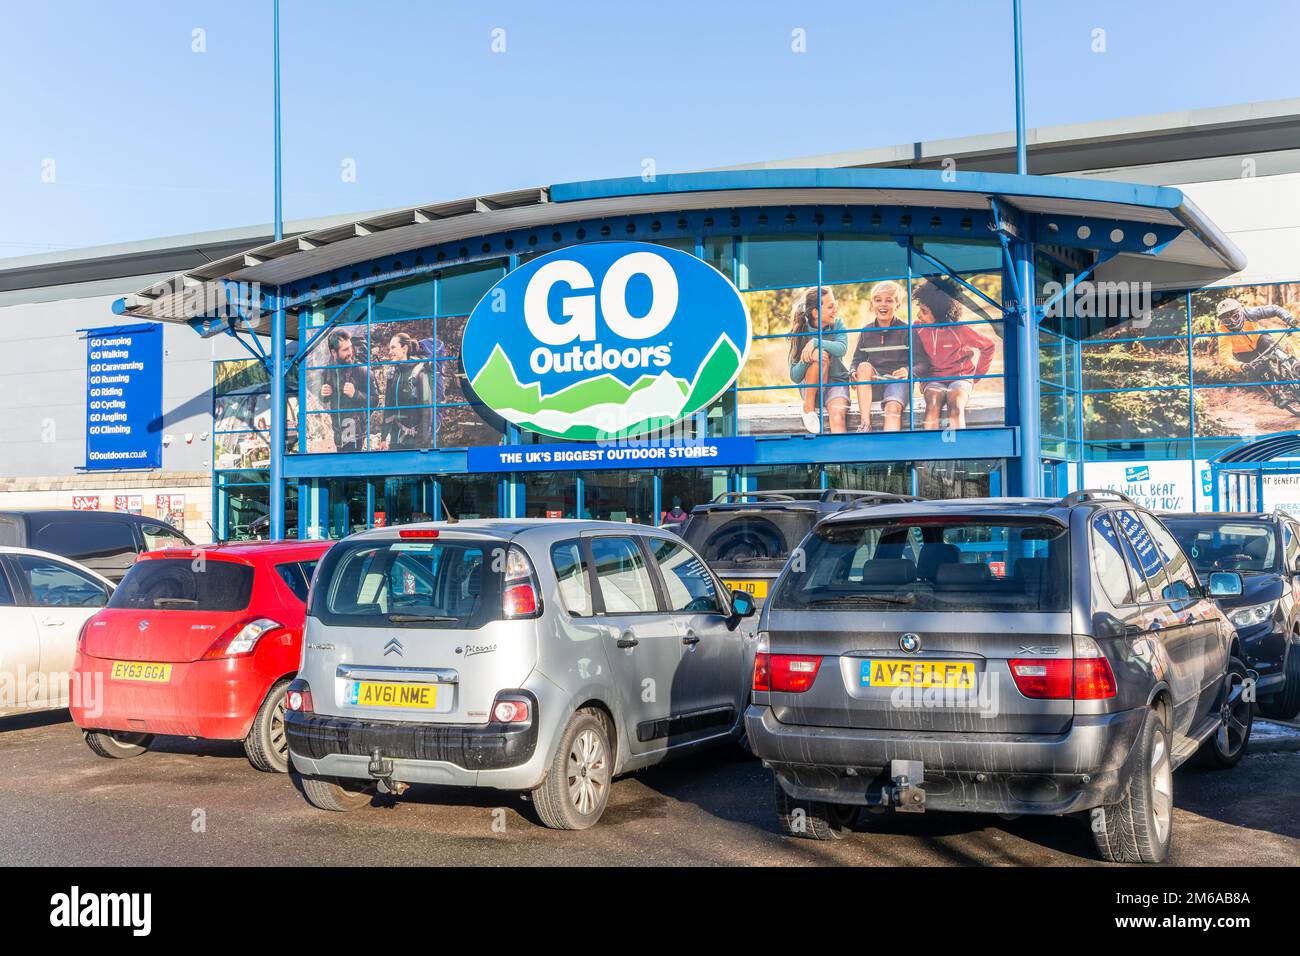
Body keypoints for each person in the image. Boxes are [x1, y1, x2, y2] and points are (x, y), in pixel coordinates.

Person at [911, 279, 996, 430]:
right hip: (932, 379)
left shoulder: (959, 329)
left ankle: (959, 452)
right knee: (933, 405)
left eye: (924, 311)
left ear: (939, 313)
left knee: (956, 405)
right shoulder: (917, 329)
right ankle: (929, 451)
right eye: (920, 309)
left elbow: (988, 346)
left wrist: (976, 376)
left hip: (960, 377)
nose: (918, 315)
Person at [787, 286, 850, 434]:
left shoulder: (838, 324)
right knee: (819, 356)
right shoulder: (800, 331)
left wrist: (816, 342)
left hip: (836, 384)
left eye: (835, 305)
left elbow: (842, 348)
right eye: (830, 306)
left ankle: (842, 456)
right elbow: (794, 376)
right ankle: (808, 408)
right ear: (816, 312)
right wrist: (808, 359)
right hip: (811, 391)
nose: (835, 310)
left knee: (837, 418)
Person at [850, 280, 910, 432]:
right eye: (878, 300)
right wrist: (852, 372)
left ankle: (891, 454)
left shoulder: (907, 330)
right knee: (863, 367)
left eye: (889, 300)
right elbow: (857, 360)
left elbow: (922, 362)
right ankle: (865, 424)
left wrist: (908, 370)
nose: (883, 305)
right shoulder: (866, 331)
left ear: (897, 304)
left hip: (897, 382)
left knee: (892, 409)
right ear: (872, 303)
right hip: (875, 383)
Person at [1215, 297, 1300, 371]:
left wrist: (1289, 319)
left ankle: (1294, 364)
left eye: (1235, 316)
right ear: (1222, 321)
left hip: (1259, 339)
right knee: (1256, 370)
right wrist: (1240, 366)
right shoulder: (1223, 332)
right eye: (1227, 321)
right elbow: (1225, 357)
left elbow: (1274, 309)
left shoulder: (1249, 314)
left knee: (1276, 351)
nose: (1233, 322)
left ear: (1240, 312)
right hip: (1242, 352)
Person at [379, 332, 432, 450]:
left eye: (393, 347)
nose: (389, 351)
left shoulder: (420, 374)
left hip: (413, 442)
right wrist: (383, 437)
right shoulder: (392, 374)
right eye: (389, 348)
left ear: (404, 349)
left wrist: (422, 444)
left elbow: (427, 412)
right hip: (395, 439)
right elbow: (388, 408)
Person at [318, 329, 368, 452]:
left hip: (355, 433)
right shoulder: (327, 372)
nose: (351, 352)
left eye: (350, 347)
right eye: (345, 350)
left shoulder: (361, 370)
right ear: (334, 353)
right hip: (338, 434)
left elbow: (375, 400)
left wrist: (355, 394)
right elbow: (324, 400)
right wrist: (322, 394)